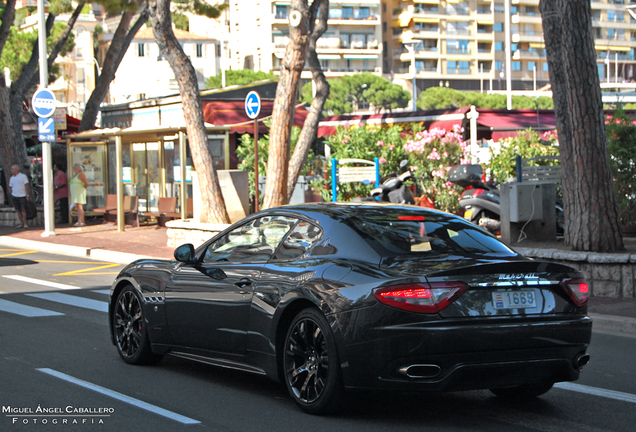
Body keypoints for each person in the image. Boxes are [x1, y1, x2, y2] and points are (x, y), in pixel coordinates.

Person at [8, 164, 30, 229]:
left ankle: (25, 223)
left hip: (22, 195)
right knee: (18, 210)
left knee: (23, 209)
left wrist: (27, 194)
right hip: (15, 195)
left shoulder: (23, 176)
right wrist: (11, 193)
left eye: (12, 169)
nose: (11, 170)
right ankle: (21, 223)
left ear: (16, 169)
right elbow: (10, 187)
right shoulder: (11, 178)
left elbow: (27, 185)